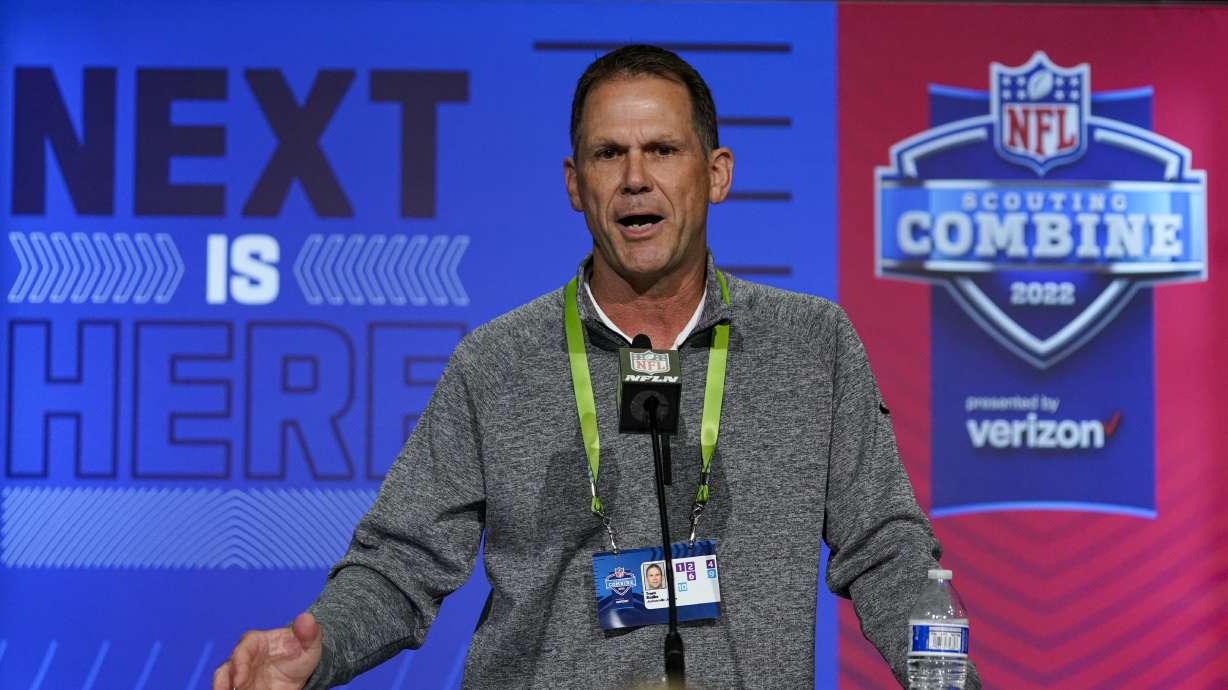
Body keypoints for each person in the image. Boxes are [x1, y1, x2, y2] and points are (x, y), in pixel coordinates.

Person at [214, 44, 979, 690]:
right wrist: (316, 651)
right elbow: (402, 563)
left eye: (662, 150)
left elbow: (885, 550)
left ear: (715, 174)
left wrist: (949, 678)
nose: (635, 177)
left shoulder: (812, 345)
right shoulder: (499, 362)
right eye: (609, 154)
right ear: (575, 184)